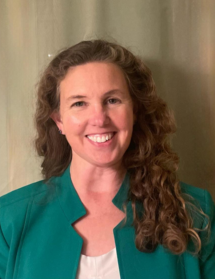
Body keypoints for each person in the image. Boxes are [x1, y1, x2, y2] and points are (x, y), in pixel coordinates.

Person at [0, 40, 214, 279]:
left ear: (134, 111)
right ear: (59, 120)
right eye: (79, 103)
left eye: (112, 100)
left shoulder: (195, 212)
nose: (99, 119)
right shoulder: (9, 220)